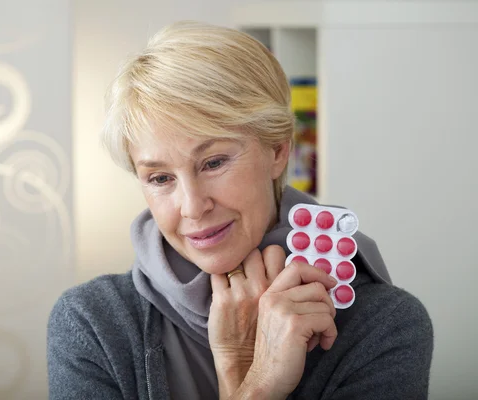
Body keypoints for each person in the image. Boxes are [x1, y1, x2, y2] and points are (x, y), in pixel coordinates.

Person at [47, 21, 434, 400]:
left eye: (214, 163)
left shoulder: (382, 324)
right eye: (160, 178)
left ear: (278, 151)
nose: (193, 207)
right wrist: (251, 380)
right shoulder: (92, 322)